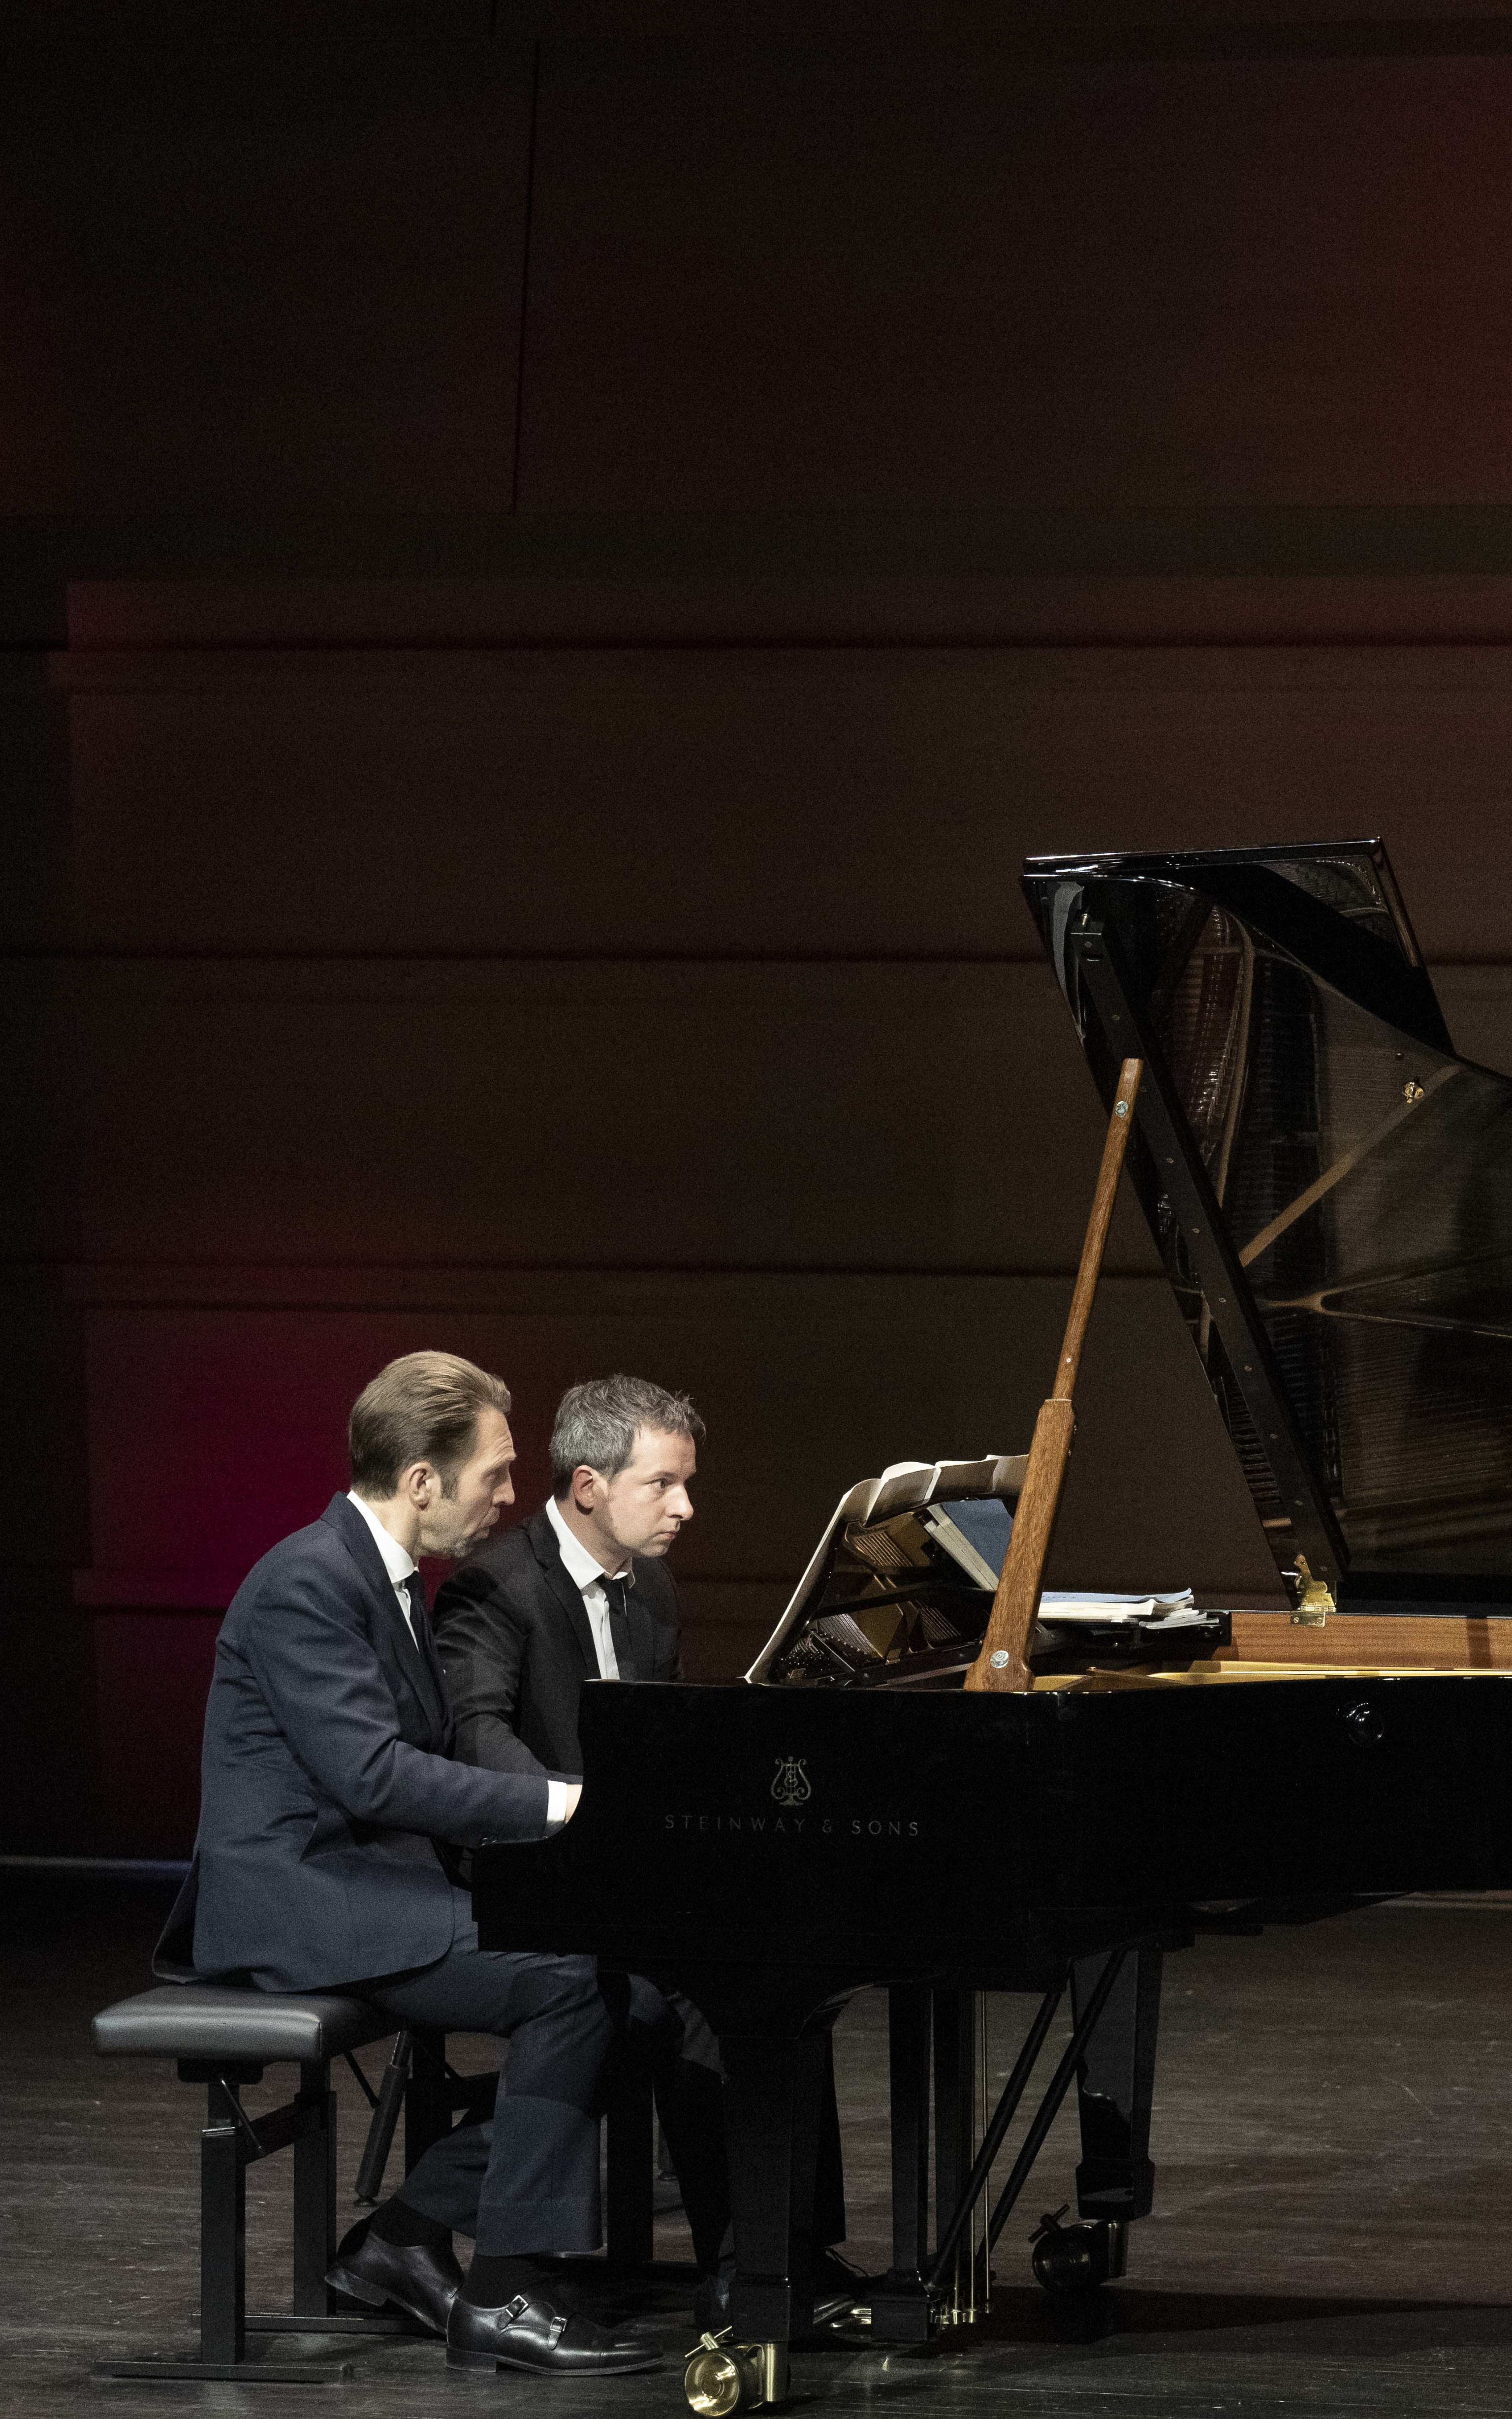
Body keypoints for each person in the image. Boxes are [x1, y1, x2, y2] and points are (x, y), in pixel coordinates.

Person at [154, 1351, 657, 2379]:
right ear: (421, 1479)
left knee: (640, 1992)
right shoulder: (306, 1580)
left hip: (371, 1882)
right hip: (299, 1900)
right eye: (494, 1475)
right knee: (569, 1982)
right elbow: (377, 1775)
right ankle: (505, 2285)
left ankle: (411, 2227)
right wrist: (560, 1805)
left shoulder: (388, 1584)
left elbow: (425, 1762)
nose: (513, 1497)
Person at [433, 1375, 851, 2322]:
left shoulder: (650, 1588)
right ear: (588, 1486)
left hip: (620, 1869)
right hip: (528, 1870)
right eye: (663, 1485)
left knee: (783, 1958)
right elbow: (477, 1742)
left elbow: (660, 1744)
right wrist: (594, 1816)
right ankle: (750, 2260)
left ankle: (772, 2256)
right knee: (694, 1983)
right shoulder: (492, 1589)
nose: (686, 1508)